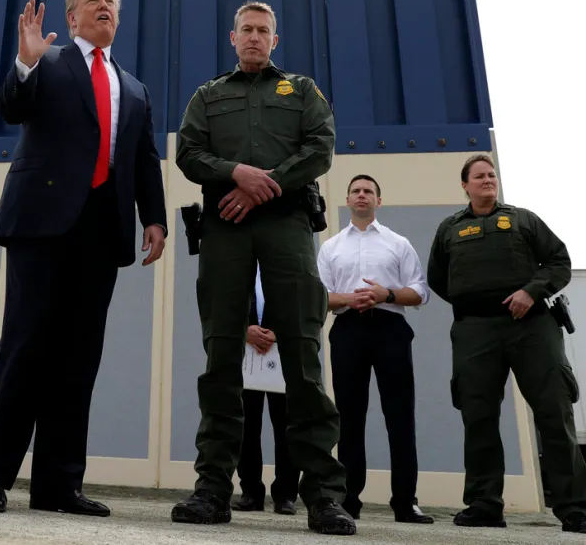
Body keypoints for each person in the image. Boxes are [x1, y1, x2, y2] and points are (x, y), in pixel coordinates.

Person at [0, 0, 167, 516]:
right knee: (25, 348)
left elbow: (144, 159)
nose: (104, 8)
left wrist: (154, 218)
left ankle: (58, 485)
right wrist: (26, 63)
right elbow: (13, 109)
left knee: (78, 360)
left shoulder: (135, 88)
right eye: (93, 2)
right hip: (43, 225)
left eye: (111, 3)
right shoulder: (48, 62)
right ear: (72, 17)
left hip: (102, 232)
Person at [171, 1, 355, 535]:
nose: (254, 37)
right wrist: (236, 173)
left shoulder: (302, 90)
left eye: (263, 31)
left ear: (275, 40)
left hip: (287, 225)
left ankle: (323, 496)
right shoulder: (208, 95)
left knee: (302, 355)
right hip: (225, 228)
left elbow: (320, 149)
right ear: (233, 38)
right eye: (246, 30)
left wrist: (261, 186)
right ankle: (212, 490)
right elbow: (188, 153)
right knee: (221, 356)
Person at [427, 154, 586, 534]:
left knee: (554, 411)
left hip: (531, 327)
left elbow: (559, 261)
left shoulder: (523, 220)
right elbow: (437, 278)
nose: (488, 180)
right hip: (476, 331)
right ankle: (484, 504)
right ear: (464, 185)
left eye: (491, 175)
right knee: (478, 415)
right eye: (479, 176)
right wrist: (476, 303)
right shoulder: (449, 229)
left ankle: (575, 508)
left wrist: (532, 291)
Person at [317, 174, 434, 525]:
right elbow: (320, 297)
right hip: (348, 330)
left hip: (390, 329)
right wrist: (349, 299)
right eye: (356, 191)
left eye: (368, 191)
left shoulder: (398, 243)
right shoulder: (331, 247)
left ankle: (405, 502)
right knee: (349, 417)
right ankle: (348, 499)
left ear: (378, 201)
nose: (362, 195)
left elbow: (420, 291)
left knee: (400, 416)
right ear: (348, 200)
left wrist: (387, 294)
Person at [233, 266, 300, 516]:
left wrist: (280, 331)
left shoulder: (287, 261)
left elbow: (304, 303)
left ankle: (286, 495)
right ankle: (250, 492)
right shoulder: (239, 263)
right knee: (246, 424)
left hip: (282, 353)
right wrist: (244, 329)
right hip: (246, 355)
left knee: (286, 424)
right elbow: (222, 303)